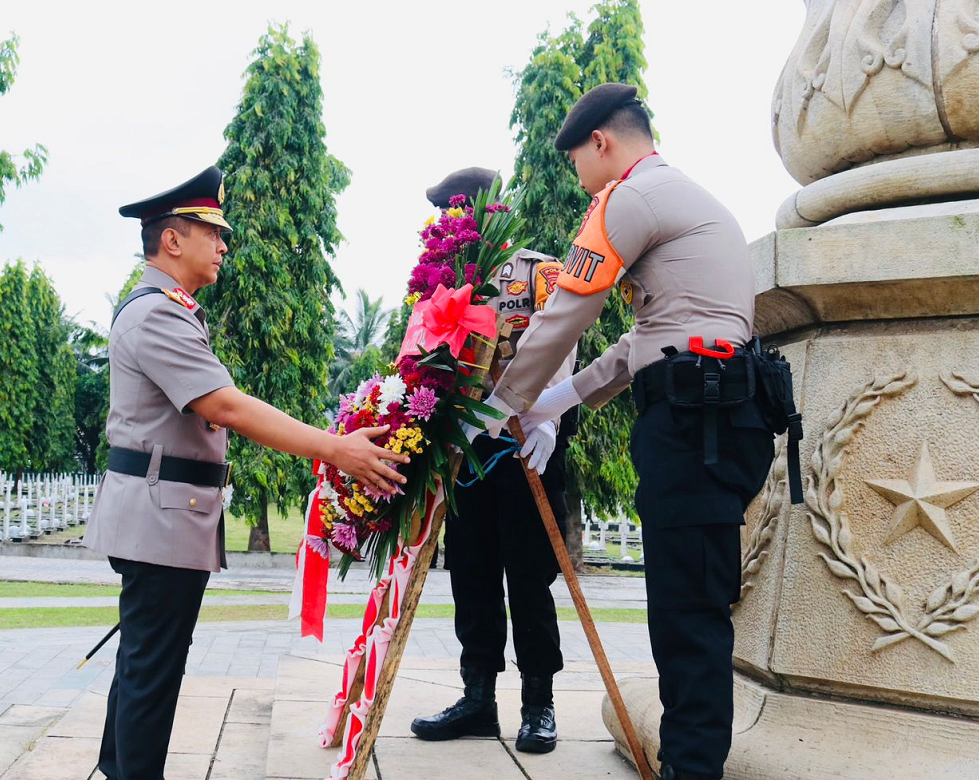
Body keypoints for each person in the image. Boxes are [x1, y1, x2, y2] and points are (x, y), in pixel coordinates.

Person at [470, 84, 775, 780]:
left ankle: (690, 771)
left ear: (601, 143)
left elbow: (566, 312)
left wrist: (500, 407)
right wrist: (555, 399)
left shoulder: (628, 199)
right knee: (685, 608)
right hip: (717, 417)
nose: (577, 177)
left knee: (688, 618)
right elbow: (647, 339)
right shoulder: (678, 197)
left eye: (576, 158)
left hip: (697, 426)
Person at [84, 165, 408, 780]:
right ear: (173, 240)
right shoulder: (156, 312)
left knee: (143, 663)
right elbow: (224, 405)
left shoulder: (170, 308)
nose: (224, 245)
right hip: (160, 516)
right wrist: (337, 448)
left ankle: (115, 768)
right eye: (213, 232)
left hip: (165, 513)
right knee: (153, 669)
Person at [409, 167, 577, 754]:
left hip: (526, 437)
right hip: (467, 446)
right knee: (472, 573)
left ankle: (539, 703)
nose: (456, 222)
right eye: (448, 215)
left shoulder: (537, 267)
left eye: (463, 210)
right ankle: (478, 698)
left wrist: (550, 416)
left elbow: (564, 336)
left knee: (529, 575)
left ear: (491, 208)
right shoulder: (444, 279)